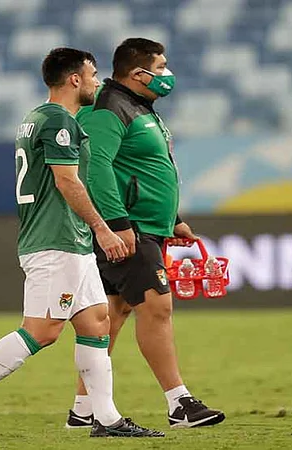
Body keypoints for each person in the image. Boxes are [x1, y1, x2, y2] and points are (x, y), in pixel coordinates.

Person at [0, 48, 164, 440]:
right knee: (42, 330)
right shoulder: (59, 121)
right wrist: (103, 229)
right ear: (74, 79)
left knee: (96, 323)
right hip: (56, 240)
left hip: (69, 242)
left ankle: (106, 419)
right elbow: (67, 180)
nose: (97, 82)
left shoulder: (35, 118)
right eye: (92, 74)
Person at [65, 38, 226, 429]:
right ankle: (179, 403)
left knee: (112, 314)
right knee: (157, 307)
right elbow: (98, 168)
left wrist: (172, 219)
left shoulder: (137, 107)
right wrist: (118, 224)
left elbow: (145, 169)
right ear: (139, 74)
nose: (166, 74)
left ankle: (83, 409)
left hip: (145, 225)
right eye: (161, 67)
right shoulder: (108, 108)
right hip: (129, 227)